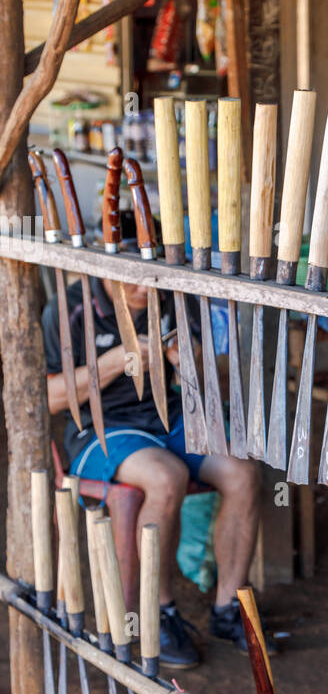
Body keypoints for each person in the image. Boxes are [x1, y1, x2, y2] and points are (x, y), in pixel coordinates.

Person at [42, 275, 262, 669]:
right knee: (166, 477)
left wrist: (188, 362)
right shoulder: (69, 308)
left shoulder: (173, 294)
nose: (145, 291)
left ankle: (229, 608)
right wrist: (111, 364)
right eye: (132, 283)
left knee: (242, 474)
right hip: (100, 427)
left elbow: (215, 384)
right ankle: (158, 613)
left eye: (151, 281)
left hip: (167, 416)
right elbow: (53, 398)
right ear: (106, 269)